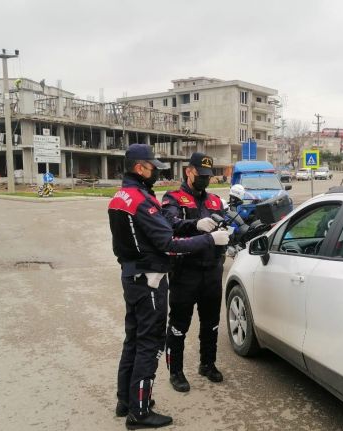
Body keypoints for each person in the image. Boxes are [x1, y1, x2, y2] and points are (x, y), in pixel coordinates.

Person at [108, 144, 229, 429]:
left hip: (133, 275)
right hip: (150, 280)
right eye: (153, 168)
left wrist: (198, 226)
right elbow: (168, 241)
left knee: (134, 340)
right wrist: (211, 239)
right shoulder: (144, 200)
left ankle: (126, 400)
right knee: (149, 344)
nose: (157, 172)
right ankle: (139, 412)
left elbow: (161, 229)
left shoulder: (121, 196)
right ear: (140, 168)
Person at [161, 152, 227, 393]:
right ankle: (176, 371)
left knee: (211, 323)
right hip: (184, 272)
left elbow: (226, 225)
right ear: (189, 171)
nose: (205, 180)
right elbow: (169, 224)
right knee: (179, 324)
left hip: (211, 271)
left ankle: (207, 364)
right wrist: (195, 224)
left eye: (208, 176)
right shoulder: (173, 198)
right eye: (201, 175)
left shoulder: (215, 201)